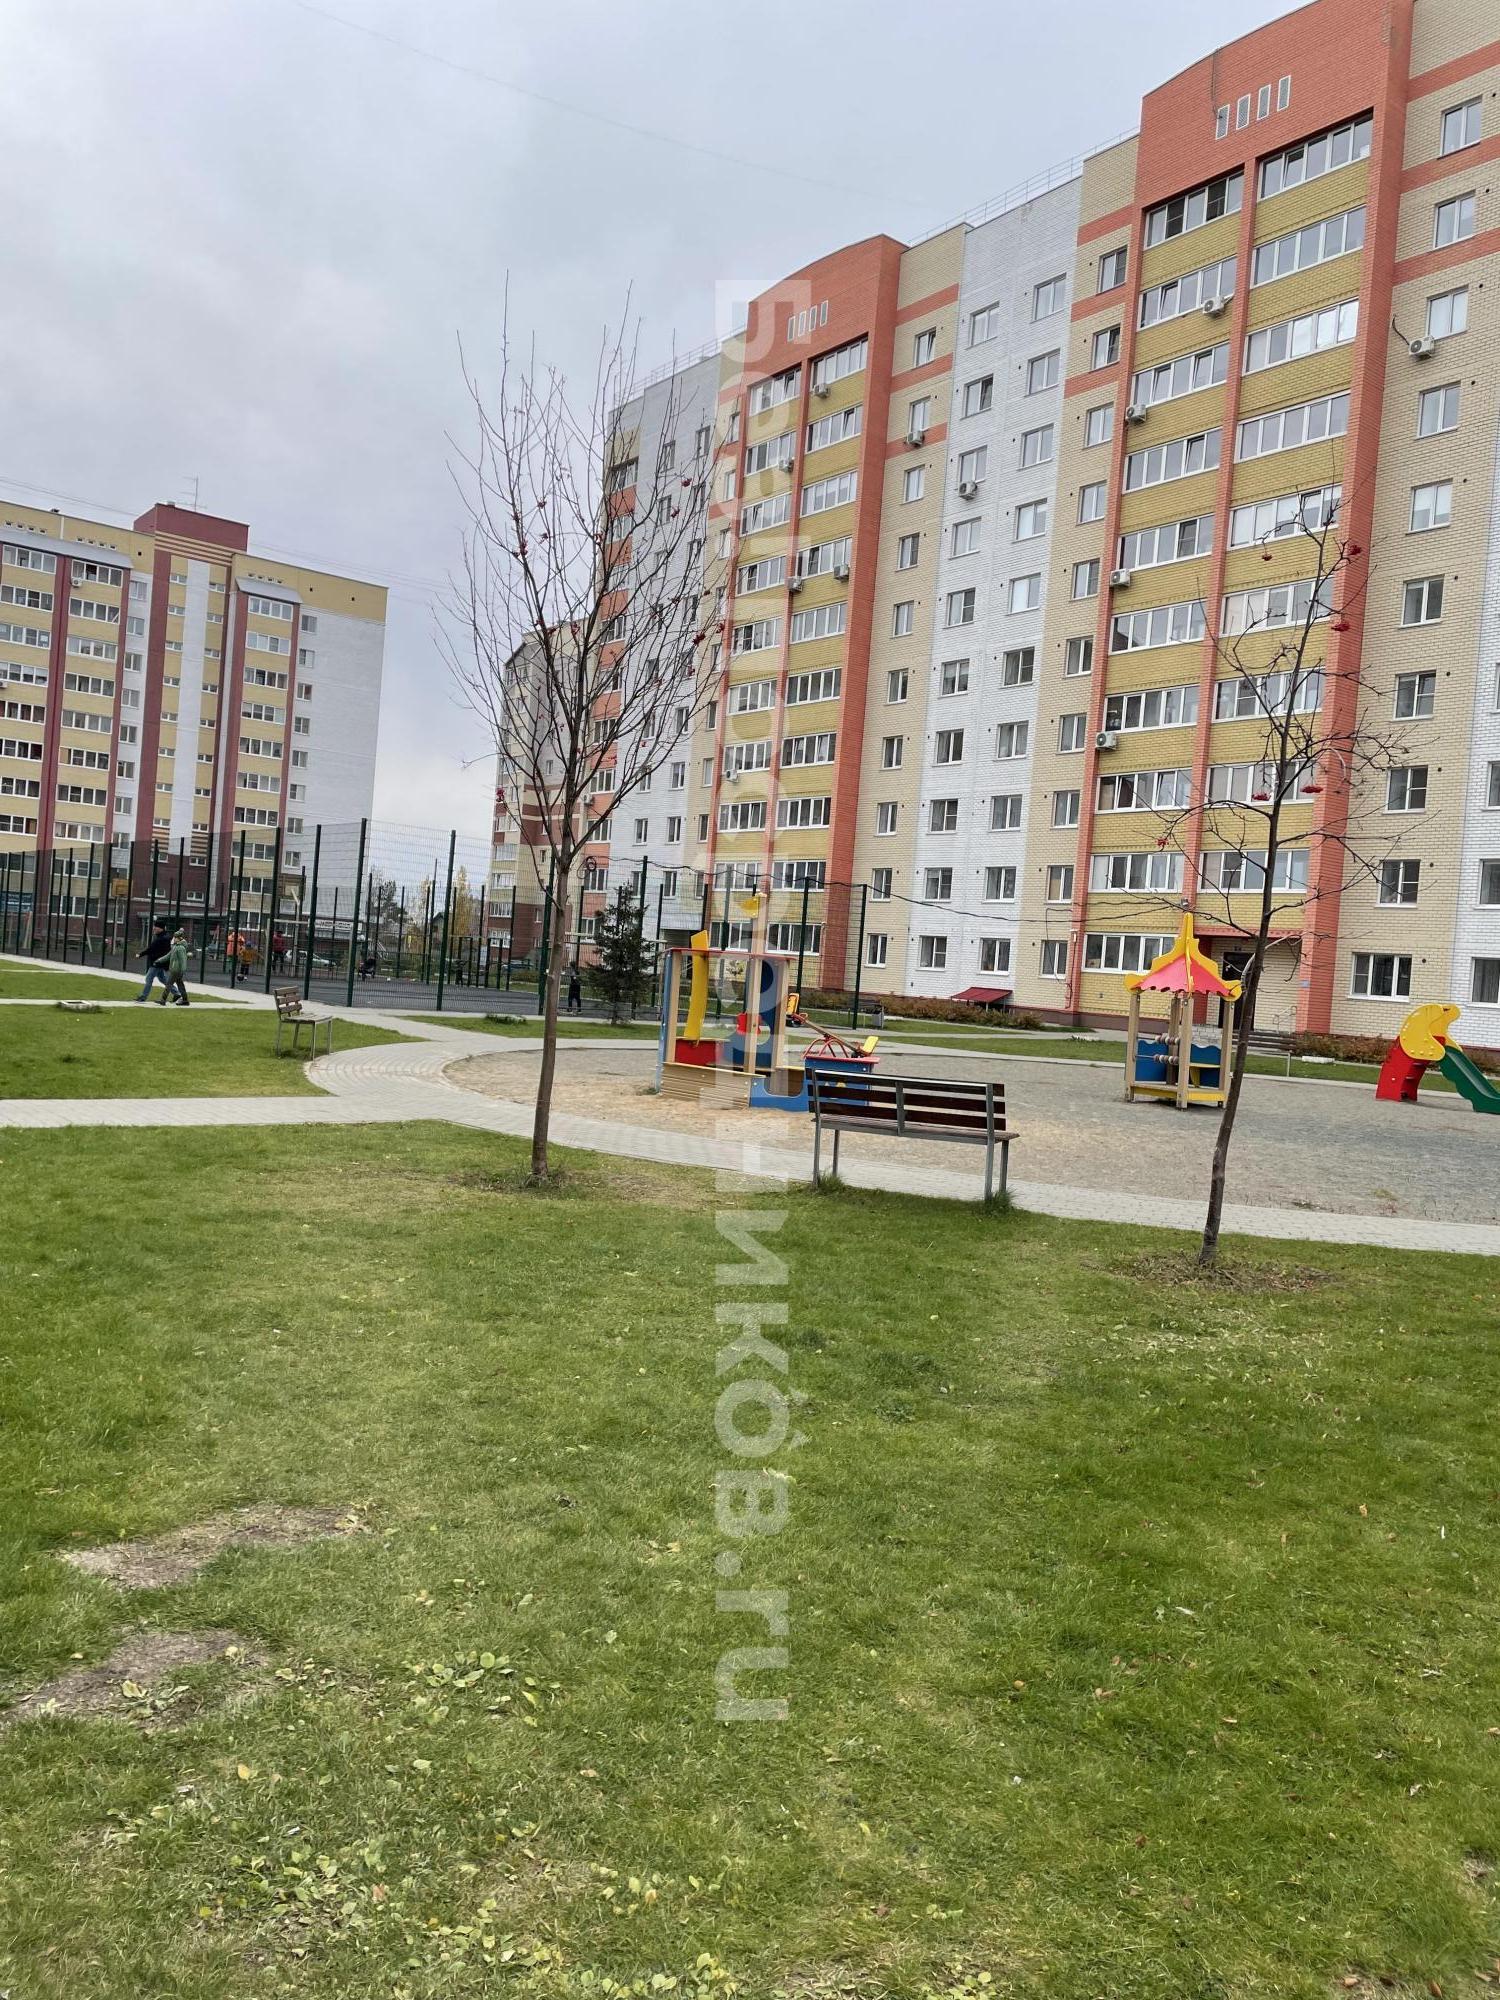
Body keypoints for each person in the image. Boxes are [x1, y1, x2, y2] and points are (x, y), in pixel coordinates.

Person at [135, 920, 173, 1002]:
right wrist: (141, 954)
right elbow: (152, 949)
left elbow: (151, 949)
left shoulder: (163, 939)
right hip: (158, 962)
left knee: (149, 978)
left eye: (156, 927)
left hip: (157, 963)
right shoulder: (161, 937)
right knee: (163, 979)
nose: (154, 928)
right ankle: (177, 993)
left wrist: (141, 954)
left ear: (161, 928)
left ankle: (143, 997)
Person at [159, 928, 191, 1008]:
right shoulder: (176, 947)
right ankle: (185, 1000)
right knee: (180, 985)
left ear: (180, 938)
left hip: (176, 970)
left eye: (175, 938)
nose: (174, 939)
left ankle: (163, 1000)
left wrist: (182, 970)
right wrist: (159, 960)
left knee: (169, 984)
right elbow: (169, 955)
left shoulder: (180, 948)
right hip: (176, 969)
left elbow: (183, 960)